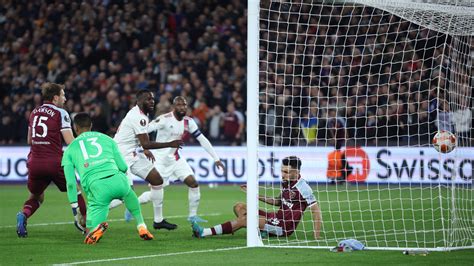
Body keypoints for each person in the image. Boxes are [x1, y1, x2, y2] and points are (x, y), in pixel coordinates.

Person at [111, 96, 226, 229]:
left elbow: (202, 139)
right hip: (160, 160)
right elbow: (144, 130)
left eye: (184, 105)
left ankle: (192, 216)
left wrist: (216, 158)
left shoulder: (189, 122)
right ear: (174, 107)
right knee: (156, 191)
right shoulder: (164, 119)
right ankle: (133, 204)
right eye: (179, 105)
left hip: (176, 159)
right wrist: (144, 148)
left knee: (193, 183)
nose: (182, 108)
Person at [61, 113, 154, 244]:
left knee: (89, 236)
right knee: (129, 193)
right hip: (117, 179)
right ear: (91, 125)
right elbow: (122, 166)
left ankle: (95, 229)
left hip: (97, 188)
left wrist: (75, 209)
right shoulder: (107, 139)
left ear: (75, 128)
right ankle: (141, 225)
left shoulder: (70, 149)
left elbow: (71, 184)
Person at [16, 82, 87, 237]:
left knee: (36, 196)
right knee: (76, 190)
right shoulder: (61, 113)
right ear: (55, 98)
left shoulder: (34, 112)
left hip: (34, 162)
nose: (65, 99)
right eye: (63, 95)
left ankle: (23, 215)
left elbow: (30, 140)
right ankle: (88, 226)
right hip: (54, 162)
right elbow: (70, 141)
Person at [192, 156, 321, 240]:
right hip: (275, 217)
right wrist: (255, 195)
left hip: (283, 227)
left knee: (246, 220)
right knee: (239, 206)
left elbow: (316, 211)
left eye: (286, 172)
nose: (282, 174)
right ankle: (261, 231)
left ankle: (205, 232)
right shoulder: (286, 182)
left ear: (296, 172)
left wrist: (316, 235)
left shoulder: (303, 188)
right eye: (282, 171)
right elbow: (278, 201)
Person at [112, 89, 183, 231]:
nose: (152, 101)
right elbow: (146, 142)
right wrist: (170, 143)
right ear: (138, 101)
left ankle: (158, 221)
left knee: (157, 180)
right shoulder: (139, 116)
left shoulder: (140, 114)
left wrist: (144, 148)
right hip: (120, 156)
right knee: (125, 195)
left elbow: (138, 138)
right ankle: (91, 213)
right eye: (148, 99)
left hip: (131, 154)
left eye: (152, 99)